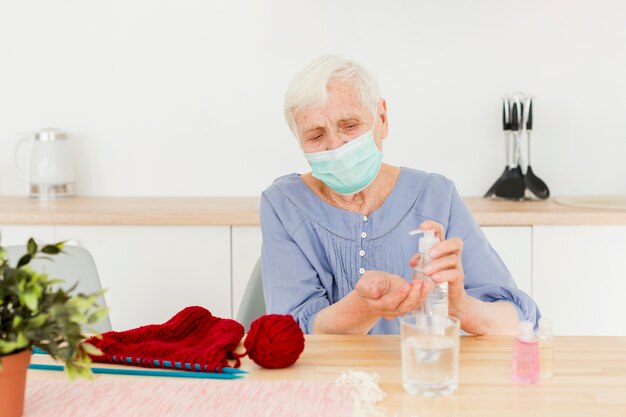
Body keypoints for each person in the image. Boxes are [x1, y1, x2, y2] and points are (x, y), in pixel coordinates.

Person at [260, 55, 540, 335]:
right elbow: (290, 332)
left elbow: (518, 321)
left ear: (381, 118)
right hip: (328, 378)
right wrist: (365, 305)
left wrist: (459, 306)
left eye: (349, 126)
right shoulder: (284, 204)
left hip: (421, 373)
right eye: (316, 135)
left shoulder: (436, 196)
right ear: (299, 141)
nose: (335, 146)